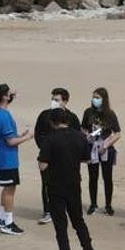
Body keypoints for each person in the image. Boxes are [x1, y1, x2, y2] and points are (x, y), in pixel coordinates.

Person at [38, 108, 97, 250]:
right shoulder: (79, 136)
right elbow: (86, 158)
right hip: (73, 184)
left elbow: (43, 164)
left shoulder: (50, 139)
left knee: (61, 227)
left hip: (56, 186)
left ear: (52, 122)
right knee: (78, 221)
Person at [34, 88, 81, 225]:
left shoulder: (72, 117)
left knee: (70, 183)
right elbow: (38, 134)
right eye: (53, 99)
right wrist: (45, 150)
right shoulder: (44, 115)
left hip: (67, 159)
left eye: (57, 100)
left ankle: (70, 209)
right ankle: (48, 211)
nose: (54, 102)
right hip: (48, 158)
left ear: (65, 101)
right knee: (47, 184)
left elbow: (77, 137)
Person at [0, 83, 33, 236]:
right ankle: (8, 223)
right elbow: (10, 141)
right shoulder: (2, 116)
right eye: (8, 93)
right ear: (3, 96)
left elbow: (10, 138)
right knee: (10, 189)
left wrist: (20, 136)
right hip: (6, 158)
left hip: (5, 157)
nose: (10, 95)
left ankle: (1, 218)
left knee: (7, 187)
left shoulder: (1, 112)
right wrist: (27, 138)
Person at [80, 86, 121, 216]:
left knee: (107, 178)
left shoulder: (110, 114)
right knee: (93, 177)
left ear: (104, 99)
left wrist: (106, 145)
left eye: (97, 97)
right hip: (92, 148)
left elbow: (117, 133)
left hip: (106, 149)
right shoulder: (88, 112)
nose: (94, 100)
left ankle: (108, 205)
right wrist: (87, 135)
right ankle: (93, 204)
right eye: (93, 97)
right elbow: (83, 128)